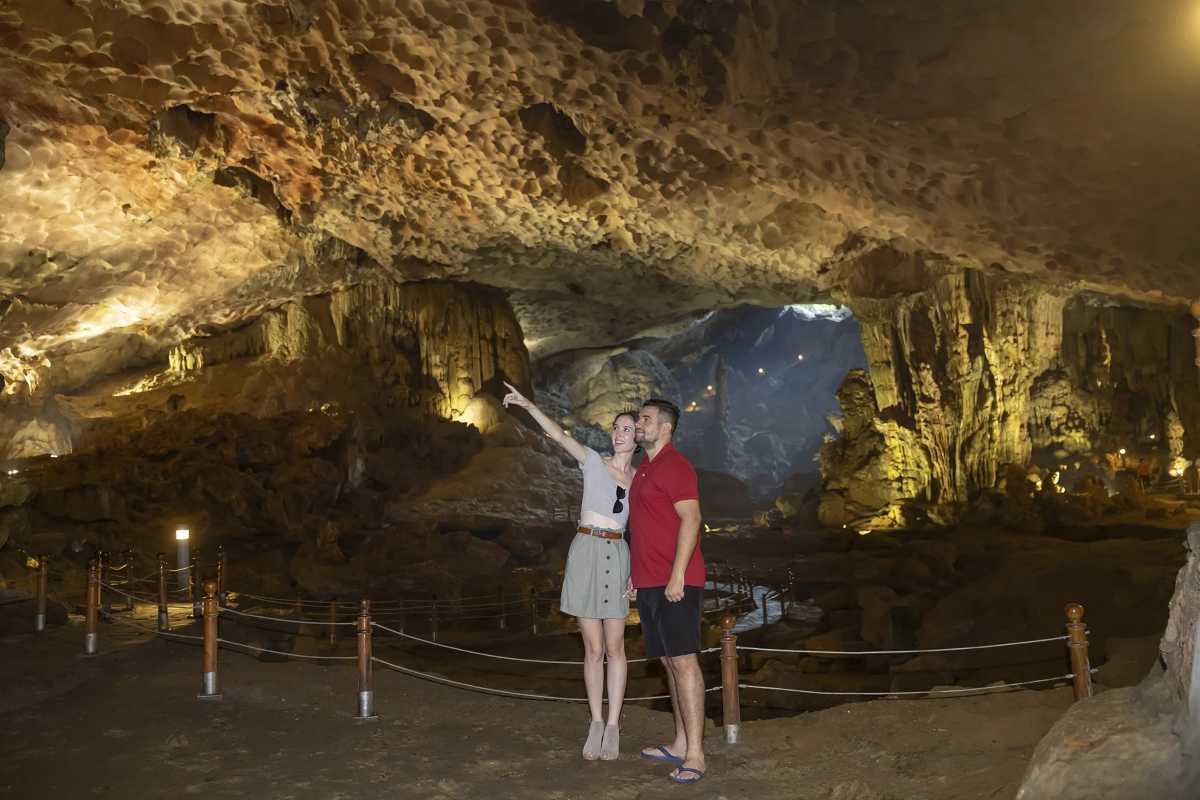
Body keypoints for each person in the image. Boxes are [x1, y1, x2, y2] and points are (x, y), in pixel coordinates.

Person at [500, 381, 635, 761]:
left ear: (636, 438)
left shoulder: (640, 481)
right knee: (593, 648)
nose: (619, 433)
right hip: (586, 550)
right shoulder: (593, 461)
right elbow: (558, 435)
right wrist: (528, 404)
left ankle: (613, 725)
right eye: (616, 427)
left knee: (615, 647)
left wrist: (637, 572)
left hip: (618, 552)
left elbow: (648, 528)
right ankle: (595, 721)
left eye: (627, 428)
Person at [629, 398, 707, 785]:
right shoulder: (645, 467)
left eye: (645, 419)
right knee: (668, 664)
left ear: (666, 428)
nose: (638, 424)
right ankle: (679, 742)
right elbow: (644, 527)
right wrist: (635, 574)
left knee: (684, 662)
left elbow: (691, 519)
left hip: (676, 581)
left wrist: (677, 575)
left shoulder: (675, 466)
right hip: (650, 581)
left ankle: (696, 754)